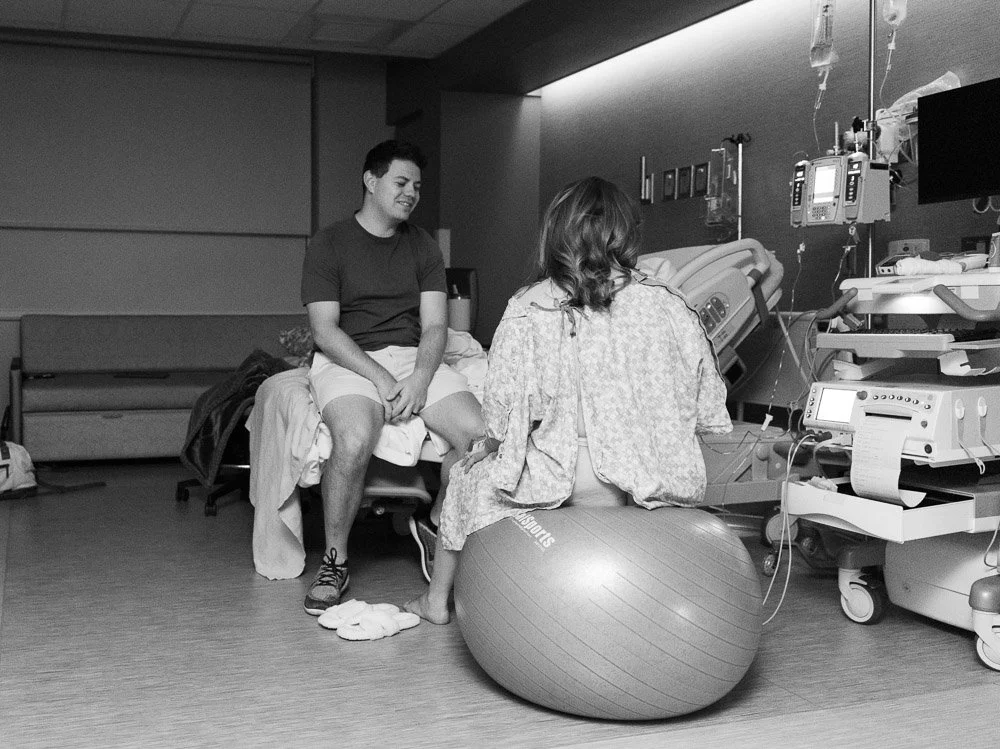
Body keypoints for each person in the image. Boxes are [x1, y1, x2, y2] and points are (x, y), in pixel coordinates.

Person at [406, 176, 732, 624]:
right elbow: (709, 403)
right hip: (648, 473)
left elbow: (501, 415)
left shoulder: (528, 307)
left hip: (561, 476)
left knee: (464, 479)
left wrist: (493, 447)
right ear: (626, 233)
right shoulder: (669, 304)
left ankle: (435, 602)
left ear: (556, 235)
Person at [301, 139, 484, 616]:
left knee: (479, 438)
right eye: (401, 183)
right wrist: (381, 379)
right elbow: (324, 329)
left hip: (412, 356)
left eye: (417, 187)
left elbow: (436, 325)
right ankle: (335, 560)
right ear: (371, 180)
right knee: (356, 438)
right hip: (349, 359)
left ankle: (441, 526)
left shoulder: (423, 245)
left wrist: (421, 378)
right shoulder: (328, 243)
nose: (411, 194)